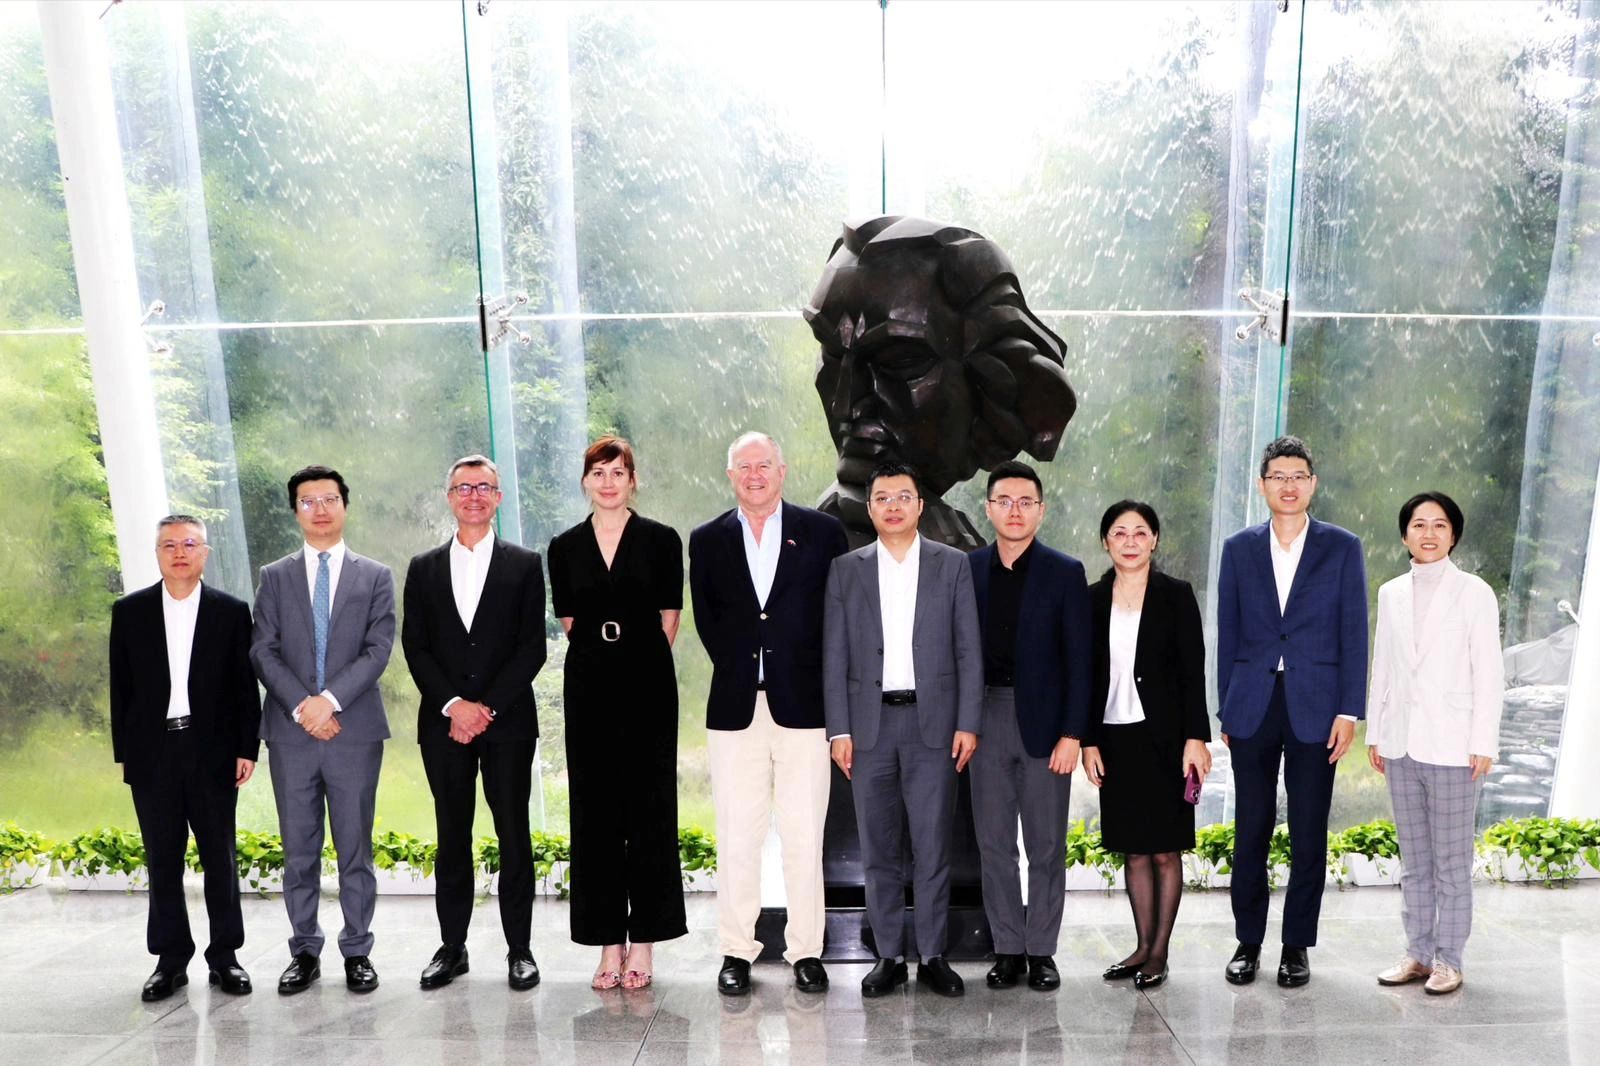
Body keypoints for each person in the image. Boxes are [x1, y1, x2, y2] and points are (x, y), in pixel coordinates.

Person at [803, 215, 1077, 550]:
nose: (844, 404)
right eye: (832, 353)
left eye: (899, 361)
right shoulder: (807, 548)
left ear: (990, 376)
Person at [689, 432, 849, 996]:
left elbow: (836, 619)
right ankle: (737, 951)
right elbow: (708, 621)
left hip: (804, 709)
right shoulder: (707, 540)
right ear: (730, 475)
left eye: (764, 464)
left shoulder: (823, 533)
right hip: (735, 708)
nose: (754, 474)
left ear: (782, 470)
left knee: (805, 834)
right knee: (737, 835)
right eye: (743, 466)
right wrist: (743, 667)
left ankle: (806, 951)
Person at [823, 459, 984, 998]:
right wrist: (837, 730)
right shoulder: (846, 570)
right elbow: (835, 655)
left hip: (933, 725)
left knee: (933, 845)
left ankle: (934, 954)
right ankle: (889, 955)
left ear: (920, 505)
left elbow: (968, 648)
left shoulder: (951, 565)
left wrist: (968, 722)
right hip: (868, 728)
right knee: (879, 848)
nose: (893, 505)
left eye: (903, 496)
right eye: (883, 497)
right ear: (870, 508)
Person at [1216, 436, 1367, 988]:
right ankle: (1247, 942)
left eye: (1298, 474)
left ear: (1312, 483)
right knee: (1250, 828)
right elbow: (1227, 632)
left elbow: (1354, 630)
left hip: (1316, 707)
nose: (1288, 484)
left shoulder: (1342, 547)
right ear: (1262, 485)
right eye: (1277, 475)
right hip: (1252, 707)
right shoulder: (1239, 549)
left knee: (1308, 830)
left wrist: (1350, 709)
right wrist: (1225, 708)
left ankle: (1296, 945)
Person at [402, 455, 547, 991]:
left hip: (507, 723)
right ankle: (452, 947)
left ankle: (521, 950)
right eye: (464, 487)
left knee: (514, 833)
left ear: (499, 498)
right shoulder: (422, 568)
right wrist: (454, 706)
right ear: (449, 496)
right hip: (443, 725)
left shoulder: (525, 563)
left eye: (484, 487)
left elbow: (532, 646)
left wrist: (484, 707)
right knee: (452, 833)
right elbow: (414, 647)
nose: (474, 496)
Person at [547, 436, 687, 990]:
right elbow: (571, 623)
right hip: (589, 683)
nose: (608, 482)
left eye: (618, 472)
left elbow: (669, 618)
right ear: (585, 481)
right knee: (596, 814)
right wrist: (607, 658)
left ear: (633, 480)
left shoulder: (661, 540)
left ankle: (646, 944)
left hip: (648, 681)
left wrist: (636, 659)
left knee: (651, 810)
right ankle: (608, 944)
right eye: (598, 472)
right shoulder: (563, 546)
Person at [251, 465, 396, 995]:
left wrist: (329, 701)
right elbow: (262, 649)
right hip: (292, 734)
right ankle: (304, 950)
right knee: (299, 848)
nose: (320, 508)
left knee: (355, 846)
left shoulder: (375, 575)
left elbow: (378, 649)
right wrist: (303, 706)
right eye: (308, 500)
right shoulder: (274, 576)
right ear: (296, 511)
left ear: (344, 505)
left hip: (352, 731)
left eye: (329, 498)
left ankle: (357, 950)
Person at [109, 515, 262, 1002]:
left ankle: (225, 957)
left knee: (220, 855)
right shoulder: (130, 611)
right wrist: (125, 755)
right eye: (169, 545)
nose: (179, 552)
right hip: (153, 753)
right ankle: (170, 960)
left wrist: (246, 748)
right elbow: (122, 689)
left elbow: (244, 687)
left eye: (189, 543)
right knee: (162, 858)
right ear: (157, 553)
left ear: (205, 552)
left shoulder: (231, 611)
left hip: (212, 750)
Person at [1366, 492, 1503, 995]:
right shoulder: (1391, 592)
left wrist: (1483, 740)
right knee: (1414, 859)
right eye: (1418, 525)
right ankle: (1418, 954)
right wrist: (1377, 733)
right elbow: (1383, 666)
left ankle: (1450, 959)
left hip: (1453, 746)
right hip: (1401, 745)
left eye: (1439, 525)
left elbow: (1489, 672)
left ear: (1453, 534)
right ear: (1405, 536)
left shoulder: (1475, 593)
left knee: (1450, 862)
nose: (1428, 533)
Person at [965, 460, 1090, 992]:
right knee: (993, 843)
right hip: (984, 718)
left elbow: (1081, 661)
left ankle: (1041, 949)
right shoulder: (965, 569)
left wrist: (1072, 734)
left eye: (1026, 502)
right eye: (1004, 501)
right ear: (989, 507)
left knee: (1045, 845)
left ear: (1040, 509)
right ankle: (1008, 948)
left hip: (1045, 726)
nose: (1015, 511)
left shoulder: (1065, 572)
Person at [1081, 500, 1212, 990]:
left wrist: (1195, 737)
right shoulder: (1092, 599)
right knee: (1133, 849)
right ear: (1106, 542)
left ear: (1155, 540)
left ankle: (1159, 952)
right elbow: (1085, 675)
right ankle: (1140, 946)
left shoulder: (1176, 595)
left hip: (1168, 739)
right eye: (1120, 533)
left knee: (1164, 850)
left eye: (1140, 532)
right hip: (1115, 736)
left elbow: (1192, 671)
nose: (1130, 542)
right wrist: (1088, 740)